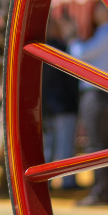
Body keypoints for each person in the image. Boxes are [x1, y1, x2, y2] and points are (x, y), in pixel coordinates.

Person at [70, 1, 108, 206]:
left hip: (95, 92)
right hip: (107, 92)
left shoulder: (106, 32)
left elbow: (78, 54)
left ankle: (102, 191)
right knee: (105, 143)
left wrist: (72, 39)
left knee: (96, 144)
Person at [42, 13, 80, 190]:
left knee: (49, 146)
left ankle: (47, 180)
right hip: (63, 104)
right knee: (62, 145)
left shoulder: (42, 49)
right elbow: (71, 80)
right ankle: (67, 181)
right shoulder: (62, 47)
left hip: (49, 105)